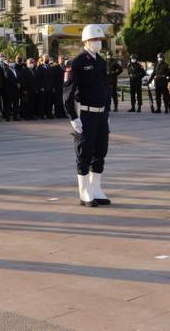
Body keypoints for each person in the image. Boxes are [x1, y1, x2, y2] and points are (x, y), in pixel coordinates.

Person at [64, 24, 111, 207]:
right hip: (85, 114)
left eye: (99, 39)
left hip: (101, 115)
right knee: (85, 153)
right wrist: (73, 117)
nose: (98, 42)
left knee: (100, 152)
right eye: (94, 39)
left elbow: (105, 89)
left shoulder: (101, 61)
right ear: (86, 41)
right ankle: (85, 193)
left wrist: (107, 112)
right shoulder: (77, 63)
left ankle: (96, 189)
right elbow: (68, 92)